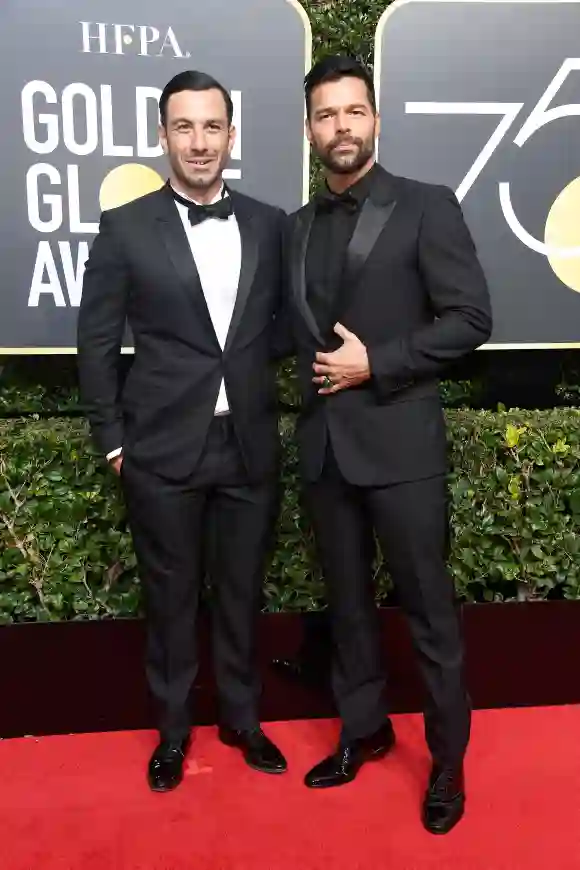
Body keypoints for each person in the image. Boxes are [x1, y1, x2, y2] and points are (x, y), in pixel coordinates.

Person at [283, 55, 492, 834]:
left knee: (430, 615)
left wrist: (380, 361)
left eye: (354, 111)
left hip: (403, 446)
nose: (342, 126)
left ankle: (446, 761)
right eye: (327, 114)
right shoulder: (295, 228)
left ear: (375, 119)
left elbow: (471, 318)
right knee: (348, 610)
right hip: (327, 451)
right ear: (310, 129)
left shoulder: (427, 207)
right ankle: (363, 729)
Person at [77, 70, 287, 792]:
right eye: (184, 127)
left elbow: (287, 330)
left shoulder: (270, 224)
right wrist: (112, 440)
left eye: (211, 127)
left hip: (249, 445)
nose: (199, 143)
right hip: (162, 450)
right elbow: (96, 343)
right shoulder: (125, 226)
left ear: (231, 134)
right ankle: (172, 732)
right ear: (162, 135)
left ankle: (241, 717)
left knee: (240, 592)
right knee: (169, 598)